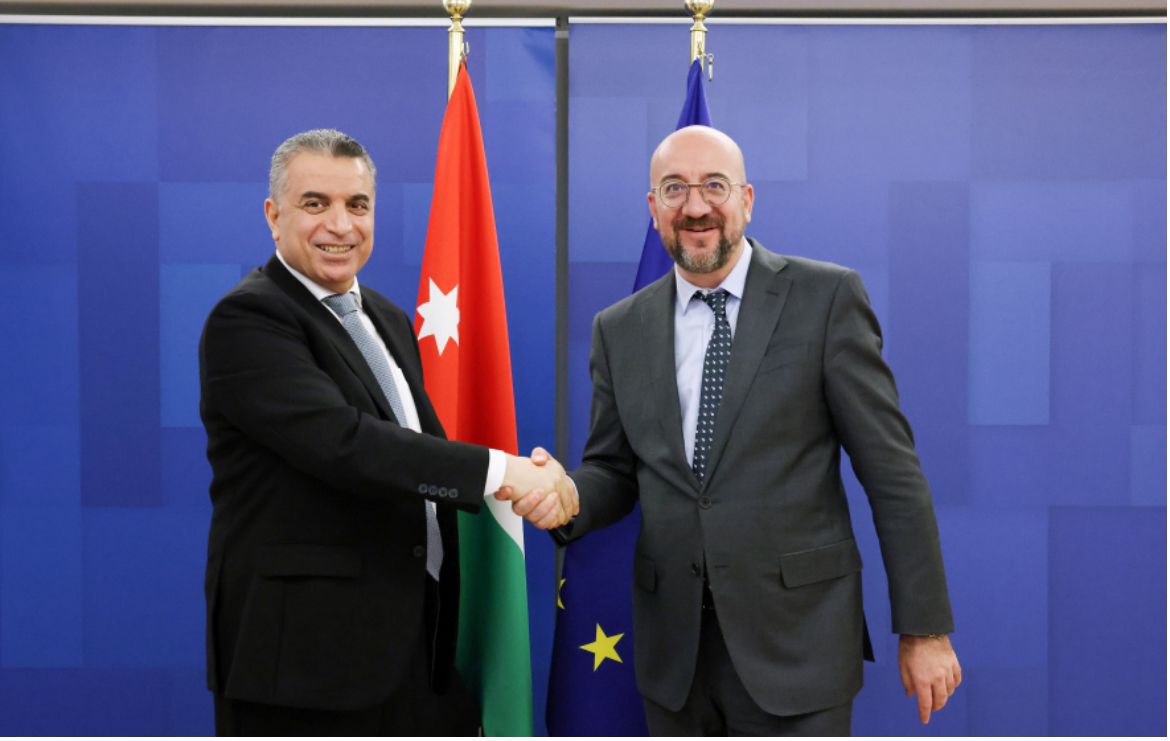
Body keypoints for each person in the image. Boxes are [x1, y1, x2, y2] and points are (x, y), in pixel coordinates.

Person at [502, 125, 961, 736]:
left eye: (713, 186)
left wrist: (925, 629)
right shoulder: (619, 328)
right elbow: (614, 469)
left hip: (799, 646)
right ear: (653, 208)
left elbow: (892, 474)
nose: (695, 206)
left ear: (747, 199)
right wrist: (569, 495)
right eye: (675, 189)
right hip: (675, 658)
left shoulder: (825, 298)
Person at [199, 129, 573, 736]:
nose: (340, 225)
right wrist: (505, 471)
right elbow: (346, 444)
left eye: (358, 205)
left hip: (415, 654)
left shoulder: (388, 319)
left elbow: (417, 458)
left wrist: (523, 485)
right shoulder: (249, 318)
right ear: (273, 215)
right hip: (304, 671)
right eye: (315, 203)